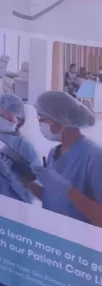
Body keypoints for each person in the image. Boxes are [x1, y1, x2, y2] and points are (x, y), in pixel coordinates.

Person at [23, 90, 102, 227]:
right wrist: (26, 181)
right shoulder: (53, 153)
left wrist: (68, 190)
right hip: (53, 236)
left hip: (80, 243)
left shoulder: (94, 157)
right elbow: (54, 202)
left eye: (43, 119)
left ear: (62, 119)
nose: (41, 124)